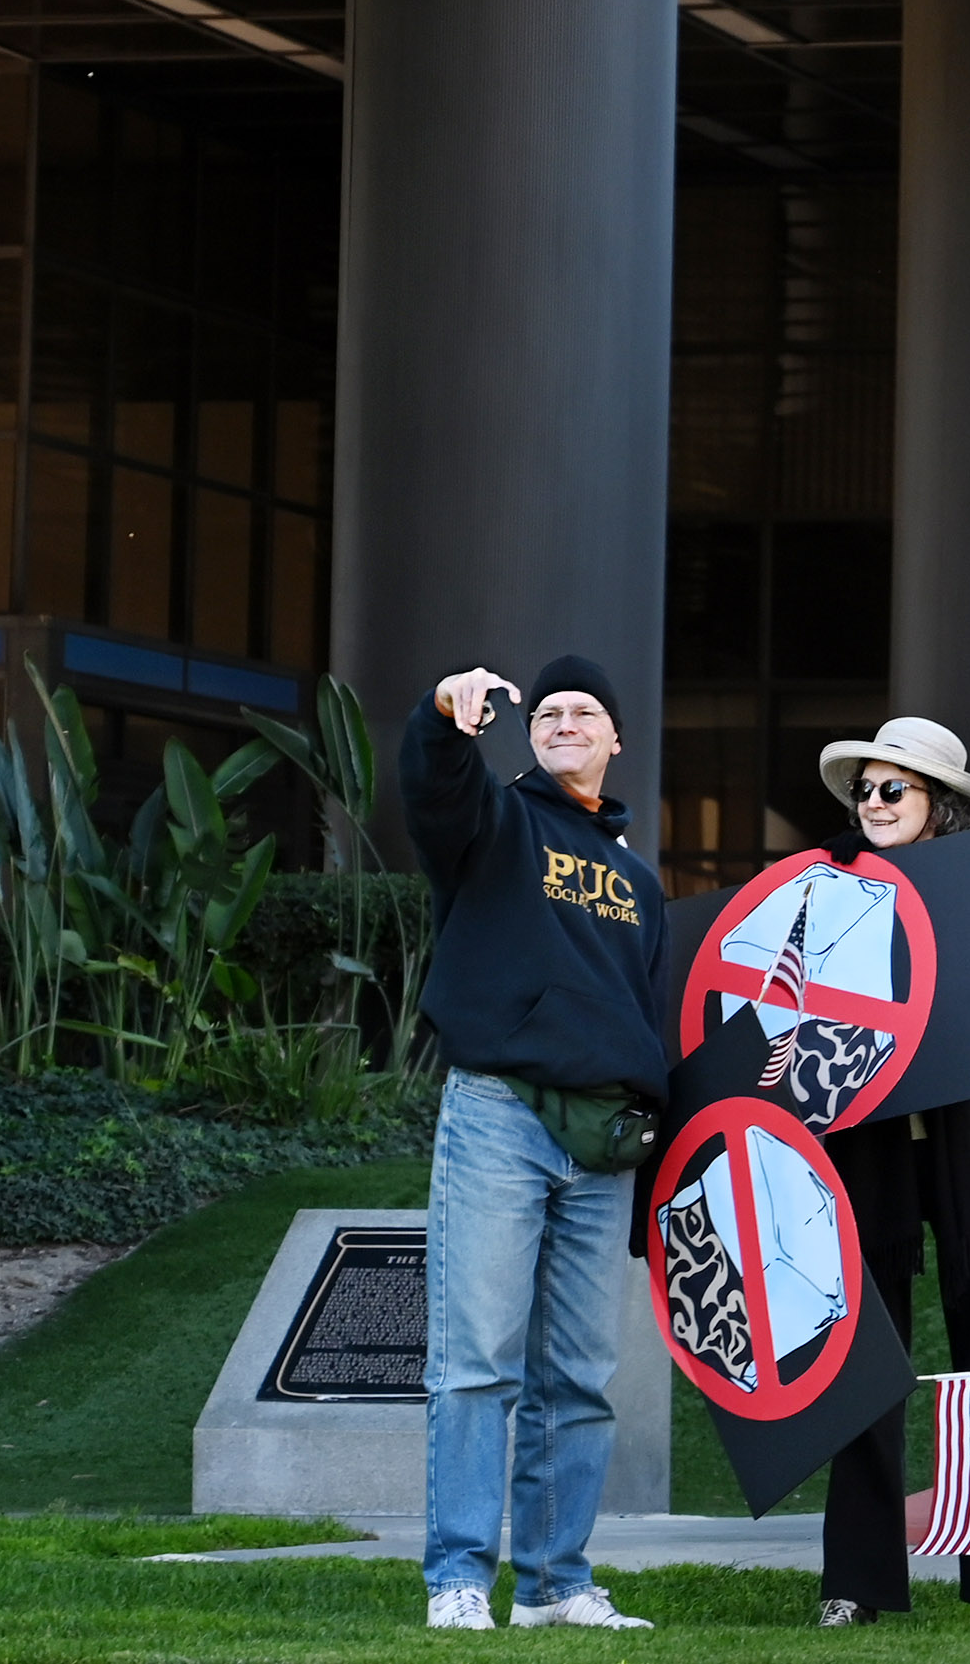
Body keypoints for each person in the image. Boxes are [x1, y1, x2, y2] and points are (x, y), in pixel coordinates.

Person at [403, 655, 665, 1633]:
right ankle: (459, 1578)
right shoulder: (498, 823)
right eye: (546, 710)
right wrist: (443, 712)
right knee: (475, 1359)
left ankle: (557, 1582)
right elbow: (434, 784)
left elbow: (653, 1018)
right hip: (500, 1113)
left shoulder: (637, 879)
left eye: (582, 709)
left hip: (604, 1140)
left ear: (614, 738)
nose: (560, 719)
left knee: (581, 1374)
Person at [806, 715, 970, 1631]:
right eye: (863, 789)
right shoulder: (819, 886)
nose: (870, 803)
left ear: (938, 807)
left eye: (889, 789)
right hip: (864, 1148)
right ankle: (857, 1583)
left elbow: (965, 977)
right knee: (865, 1361)